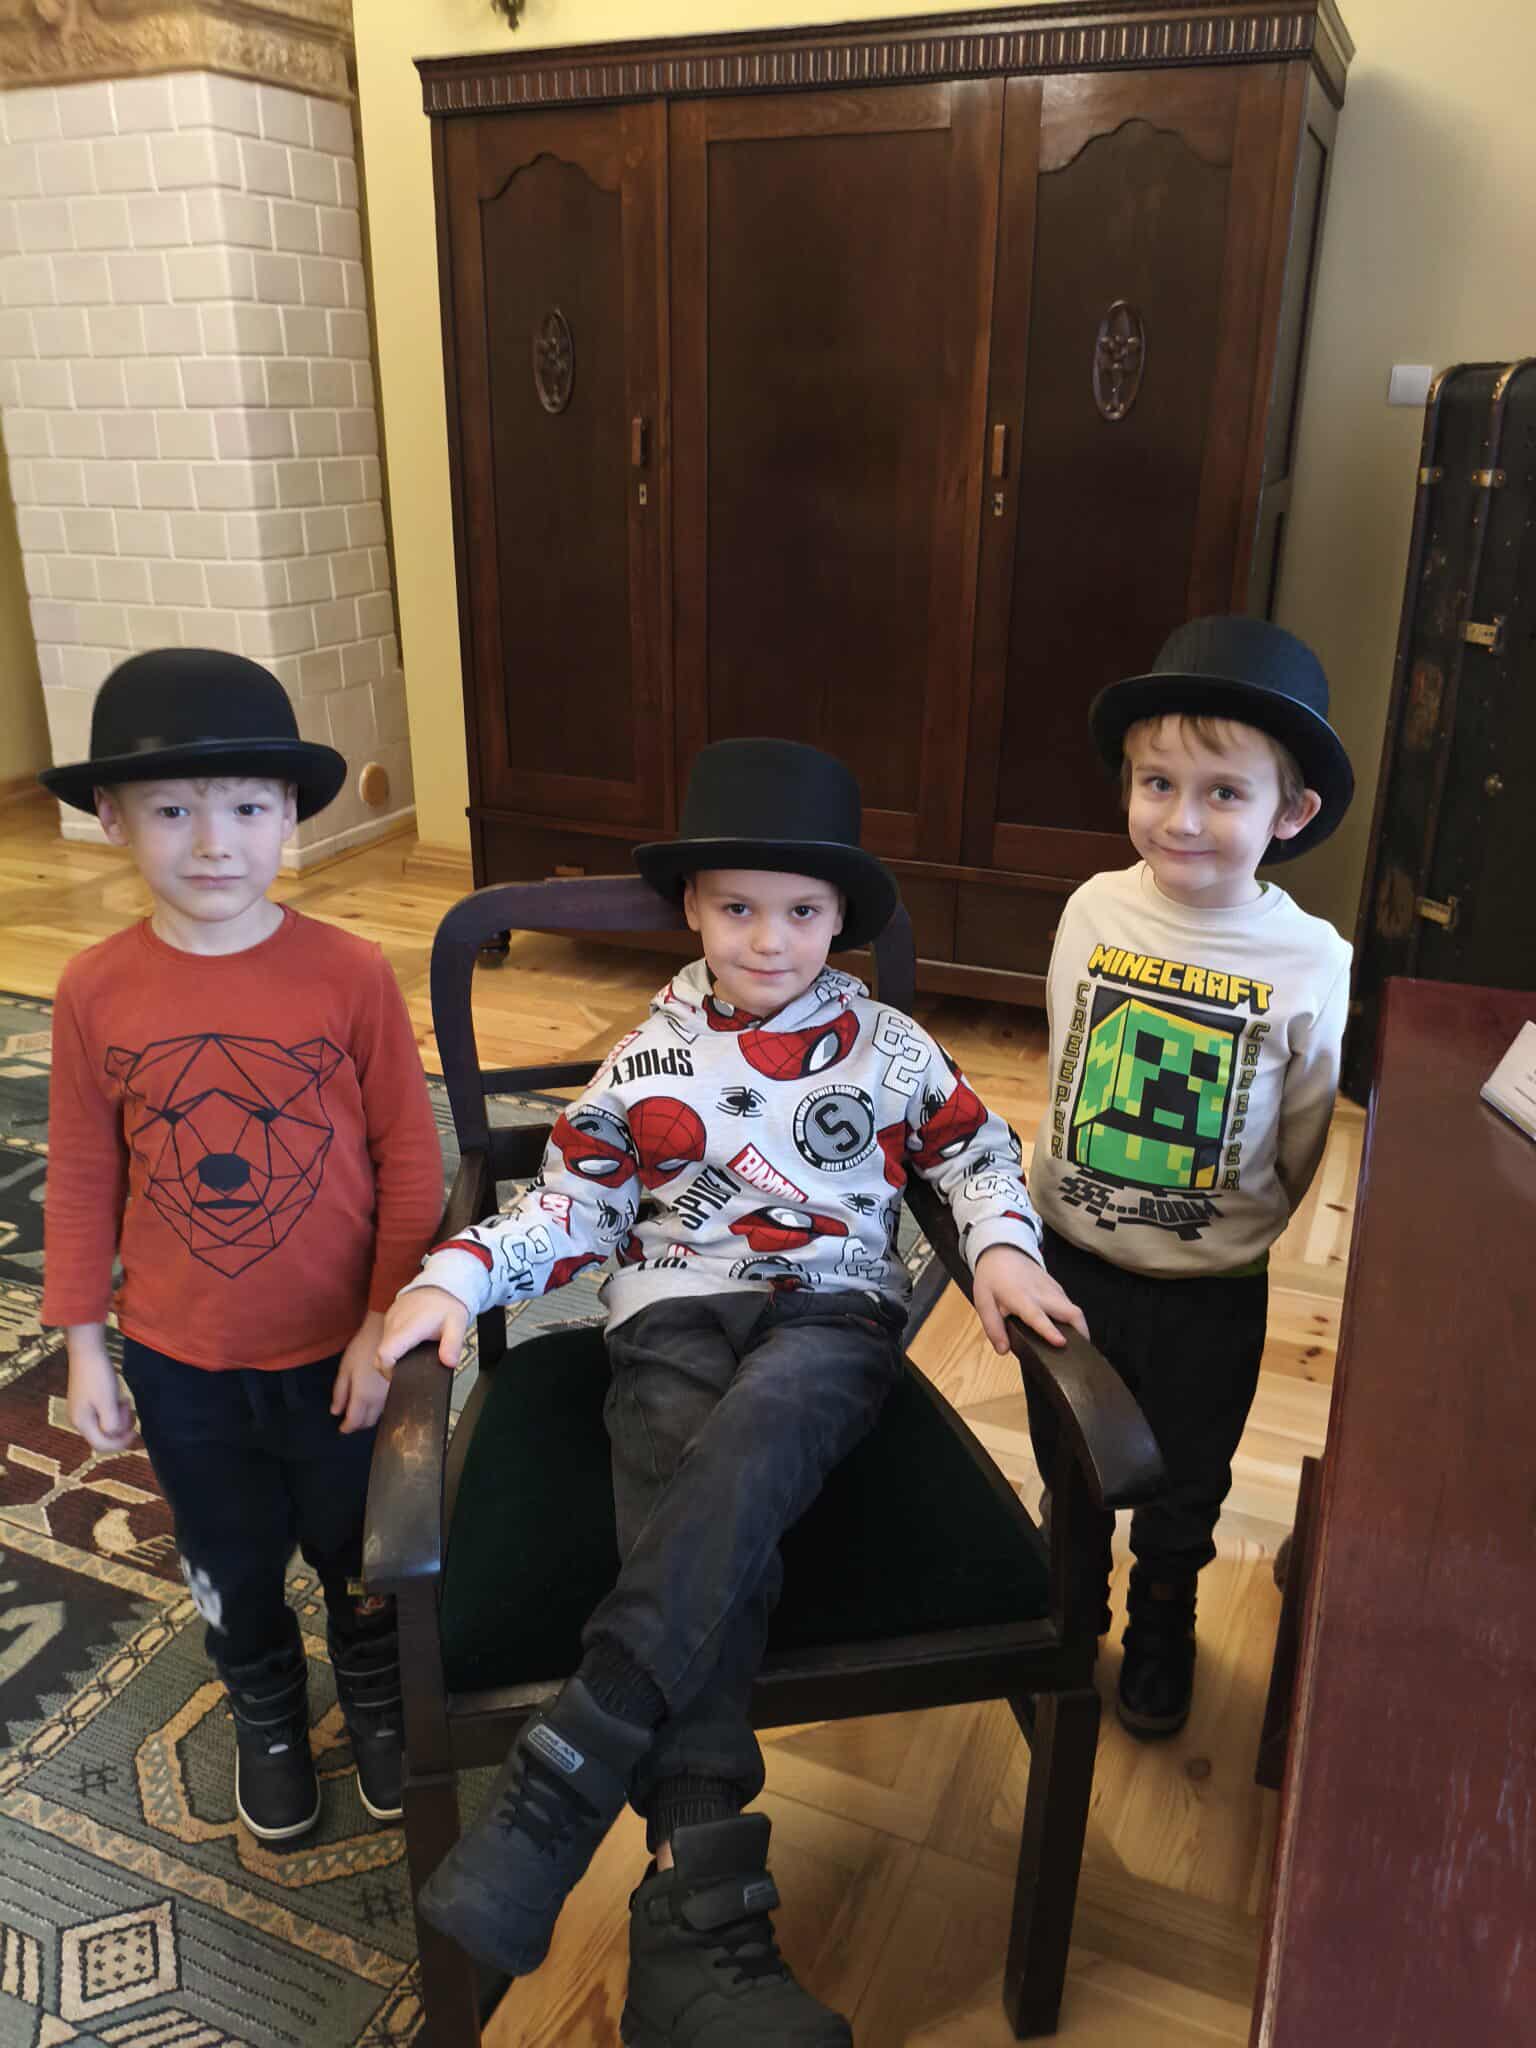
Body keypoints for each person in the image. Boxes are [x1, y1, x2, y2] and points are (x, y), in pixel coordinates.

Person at [378, 736, 1085, 2047]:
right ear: (693, 910)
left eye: (803, 911)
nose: (770, 939)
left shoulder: (889, 1047)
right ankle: (697, 1919)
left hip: (831, 1310)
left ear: (840, 916)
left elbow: (979, 1153)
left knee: (759, 1434)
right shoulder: (646, 1059)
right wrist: (459, 1274)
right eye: (740, 907)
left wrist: (998, 1246)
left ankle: (573, 1753)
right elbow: (573, 1205)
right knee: (683, 1463)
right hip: (669, 1307)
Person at [40, 650, 443, 1842]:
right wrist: (85, 1342)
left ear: (290, 816)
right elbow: (85, 1172)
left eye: (248, 807)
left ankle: (372, 1687)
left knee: (358, 1546)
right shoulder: (93, 989)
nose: (215, 841)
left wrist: (381, 1319)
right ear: (112, 817)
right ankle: (266, 1704)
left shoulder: (349, 974)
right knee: (228, 1554)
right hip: (183, 1362)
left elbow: (410, 1159)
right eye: (173, 809)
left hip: (339, 1351)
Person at [1026, 615, 1354, 1738]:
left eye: (1224, 793)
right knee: (1067, 1458)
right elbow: (1066, 1055)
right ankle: (1069, 1606)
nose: (1180, 818)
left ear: (1289, 813)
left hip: (1210, 1287)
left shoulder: (1311, 960)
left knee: (1186, 1474)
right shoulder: (1092, 909)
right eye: (1157, 782)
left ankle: (1163, 1610)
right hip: (1070, 1259)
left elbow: (1305, 1131)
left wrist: (1231, 1229)